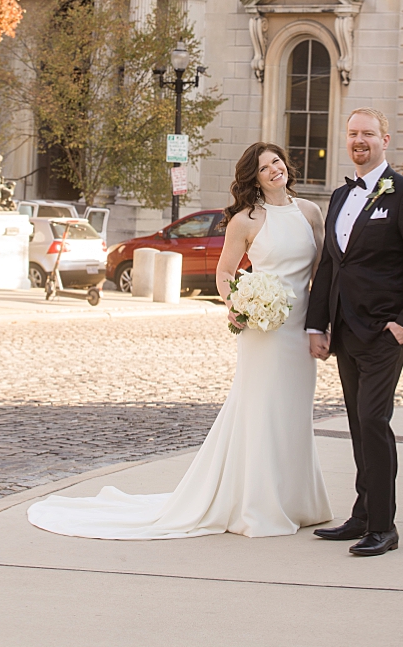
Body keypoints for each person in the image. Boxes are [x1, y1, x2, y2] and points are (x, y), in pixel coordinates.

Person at [28, 142, 331, 539]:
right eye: (263, 168)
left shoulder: (310, 212)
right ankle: (258, 505)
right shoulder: (246, 220)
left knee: (293, 412)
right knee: (260, 413)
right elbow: (225, 274)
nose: (273, 170)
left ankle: (297, 502)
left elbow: (323, 273)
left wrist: (322, 324)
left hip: (298, 328)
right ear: (253, 179)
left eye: (276, 162)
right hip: (263, 333)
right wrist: (239, 305)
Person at [306, 108, 403, 556]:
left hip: (386, 332)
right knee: (357, 424)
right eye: (352, 134)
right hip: (344, 330)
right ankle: (362, 515)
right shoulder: (341, 197)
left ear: (385, 139)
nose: (359, 140)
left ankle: (384, 526)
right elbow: (330, 264)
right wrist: (317, 324)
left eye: (367, 133)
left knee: (373, 421)